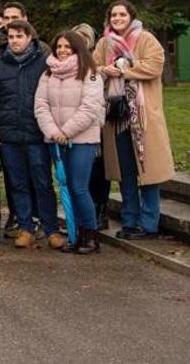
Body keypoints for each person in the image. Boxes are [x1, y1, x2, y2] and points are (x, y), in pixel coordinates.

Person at [93, 0, 175, 240]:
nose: (118, 18)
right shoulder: (104, 43)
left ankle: (149, 223)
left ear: (131, 16)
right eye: (114, 14)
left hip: (143, 116)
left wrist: (123, 69)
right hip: (117, 116)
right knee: (125, 171)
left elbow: (154, 66)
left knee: (148, 171)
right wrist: (104, 70)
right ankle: (129, 220)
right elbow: (94, 66)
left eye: (122, 14)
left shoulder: (146, 39)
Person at [0, 20, 65, 249]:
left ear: (30, 37)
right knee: (17, 184)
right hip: (8, 136)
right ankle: (26, 227)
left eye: (19, 36)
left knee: (42, 182)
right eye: (11, 37)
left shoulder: (44, 63)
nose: (15, 41)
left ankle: (51, 229)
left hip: (37, 135)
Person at [35, 30, 105, 253]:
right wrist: (53, 132)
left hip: (83, 140)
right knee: (65, 187)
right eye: (59, 47)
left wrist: (66, 131)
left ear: (77, 49)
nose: (63, 51)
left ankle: (90, 236)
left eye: (68, 47)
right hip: (56, 140)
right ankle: (75, 235)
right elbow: (41, 106)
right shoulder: (48, 74)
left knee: (78, 187)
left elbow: (90, 107)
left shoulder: (90, 73)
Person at [74, 22, 111, 231]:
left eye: (84, 38)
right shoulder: (68, 63)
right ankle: (86, 213)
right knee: (81, 176)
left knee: (99, 170)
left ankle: (101, 210)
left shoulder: (96, 66)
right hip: (74, 126)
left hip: (97, 124)